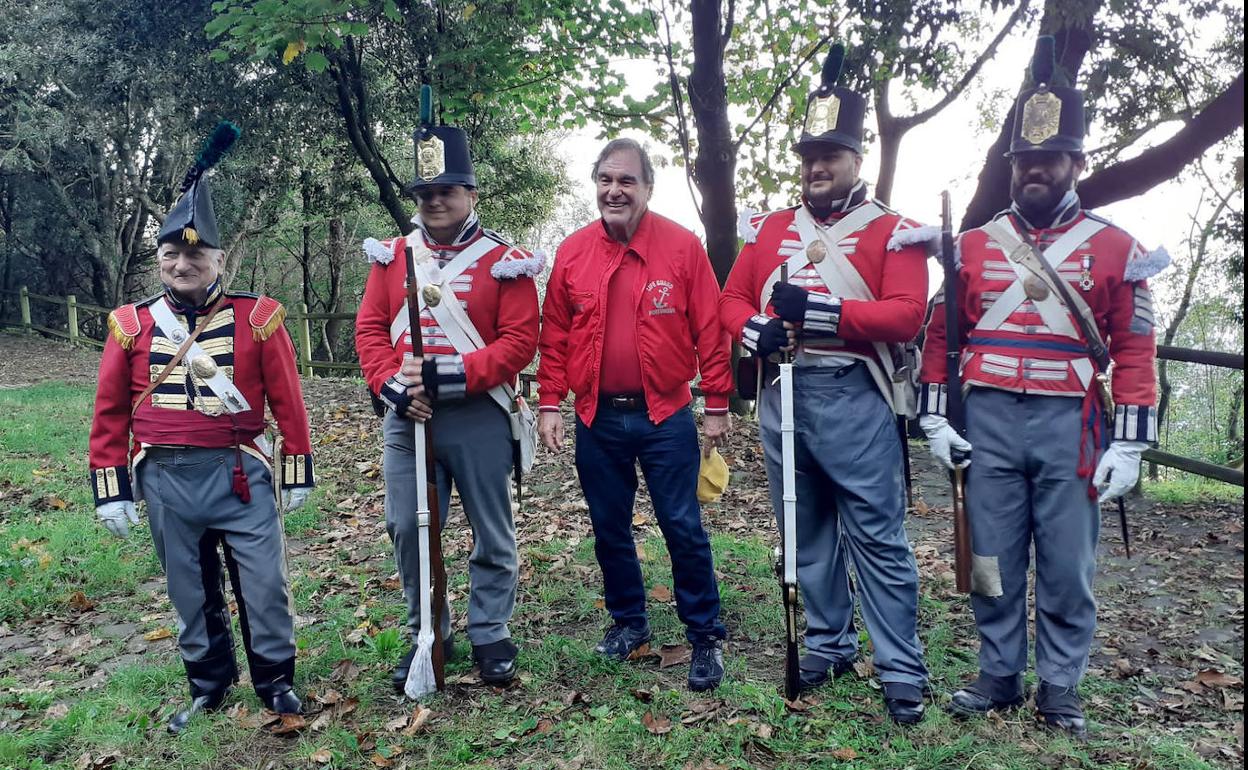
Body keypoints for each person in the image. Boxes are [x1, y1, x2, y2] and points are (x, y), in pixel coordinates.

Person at [917, 37, 1167, 738]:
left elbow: (1135, 350)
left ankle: (1060, 686)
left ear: (1075, 164)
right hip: (989, 418)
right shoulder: (971, 245)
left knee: (1065, 564)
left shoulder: (1117, 247)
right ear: (1011, 167)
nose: (1033, 170)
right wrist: (935, 416)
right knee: (991, 555)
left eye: (1048, 158)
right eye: (1023, 160)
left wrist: (1132, 442)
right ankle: (999, 673)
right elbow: (941, 335)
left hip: (1073, 429)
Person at [718, 44, 932, 724]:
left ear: (856, 160)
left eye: (830, 156)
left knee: (877, 535)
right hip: (784, 393)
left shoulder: (894, 231)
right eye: (809, 156)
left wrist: (828, 313)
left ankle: (900, 665)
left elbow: (905, 314)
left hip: (854, 392)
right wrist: (753, 331)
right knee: (804, 530)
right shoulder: (772, 228)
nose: (816, 168)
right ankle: (830, 641)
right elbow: (730, 299)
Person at [88, 122, 313, 732]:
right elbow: (109, 413)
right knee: (190, 591)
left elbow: (290, 403)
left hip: (240, 473)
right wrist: (111, 489)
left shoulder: (259, 317)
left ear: (218, 259)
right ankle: (209, 686)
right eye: (171, 255)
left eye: (195, 254)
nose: (182, 264)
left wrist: (296, 467)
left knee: (264, 585)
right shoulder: (131, 325)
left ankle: (276, 683)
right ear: (160, 260)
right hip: (164, 478)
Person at [536, 138, 733, 692]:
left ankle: (705, 636)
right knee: (609, 529)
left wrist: (716, 402)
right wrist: (550, 401)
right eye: (605, 179)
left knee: (682, 526)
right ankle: (629, 624)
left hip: (666, 415)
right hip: (597, 418)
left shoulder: (682, 247)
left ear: (648, 188)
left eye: (626, 181)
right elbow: (555, 333)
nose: (614, 190)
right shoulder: (573, 252)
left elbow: (710, 329)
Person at [355, 114, 541, 690]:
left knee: (492, 526)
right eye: (427, 192)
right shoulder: (393, 256)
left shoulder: (503, 260)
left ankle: (490, 629)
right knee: (407, 526)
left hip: (478, 410)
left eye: (447, 190)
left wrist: (450, 374)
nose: (435, 201)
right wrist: (390, 385)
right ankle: (426, 631)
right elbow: (369, 330)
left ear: (470, 193)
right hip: (407, 414)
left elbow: (518, 342)